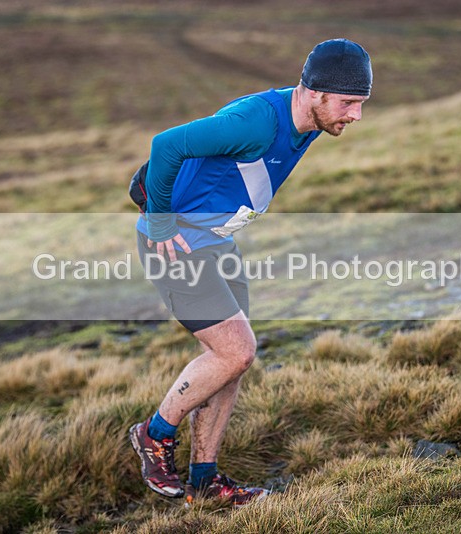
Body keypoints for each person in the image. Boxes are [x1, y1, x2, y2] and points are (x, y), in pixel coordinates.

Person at [128, 38, 372, 506]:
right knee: (236, 352)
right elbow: (167, 144)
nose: (355, 116)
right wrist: (159, 220)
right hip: (176, 243)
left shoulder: (313, 119)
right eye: (348, 104)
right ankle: (153, 433)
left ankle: (205, 481)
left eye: (361, 104)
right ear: (314, 92)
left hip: (216, 242)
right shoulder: (257, 123)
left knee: (230, 363)